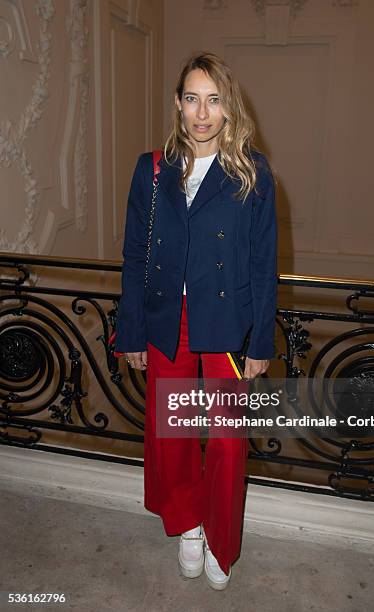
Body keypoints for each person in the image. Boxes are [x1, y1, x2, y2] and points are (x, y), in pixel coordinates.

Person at [114, 51, 278, 590]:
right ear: (178, 105)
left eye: (213, 100)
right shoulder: (153, 168)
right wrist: (132, 329)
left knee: (229, 440)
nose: (201, 113)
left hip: (227, 323)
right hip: (169, 320)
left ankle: (221, 536)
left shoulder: (250, 171)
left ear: (229, 108)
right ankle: (188, 523)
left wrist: (259, 340)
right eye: (191, 98)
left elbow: (262, 261)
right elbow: (135, 255)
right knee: (174, 432)